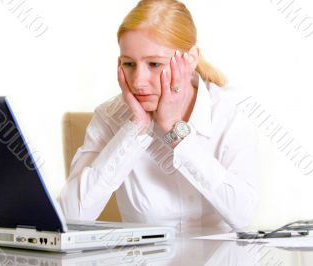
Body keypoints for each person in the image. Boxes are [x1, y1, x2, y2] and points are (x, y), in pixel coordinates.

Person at [59, 0, 259, 235]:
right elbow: (70, 215)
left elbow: (243, 215)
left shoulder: (228, 114)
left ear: (191, 58)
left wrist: (175, 132)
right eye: (129, 64)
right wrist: (136, 129)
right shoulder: (109, 117)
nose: (138, 82)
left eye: (154, 64)